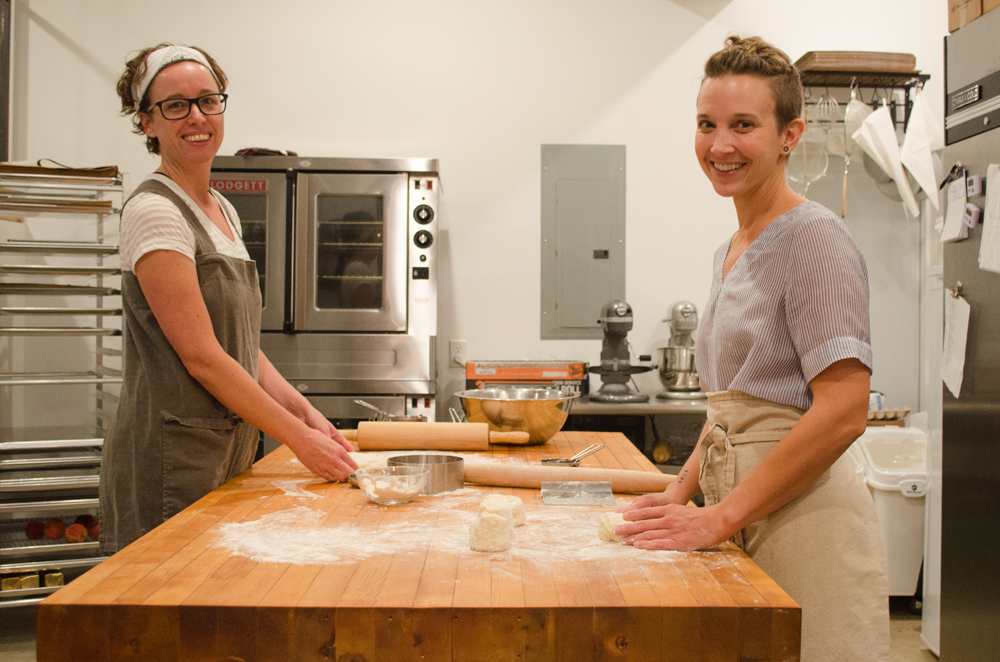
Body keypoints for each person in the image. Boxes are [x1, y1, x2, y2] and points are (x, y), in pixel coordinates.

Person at [617, 36, 889, 662]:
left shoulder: (816, 239)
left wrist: (717, 517)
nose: (720, 146)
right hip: (740, 507)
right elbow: (730, 413)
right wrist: (679, 494)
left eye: (743, 125)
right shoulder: (731, 249)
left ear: (790, 135)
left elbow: (844, 410)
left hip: (805, 517)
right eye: (706, 125)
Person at [99, 44, 358, 554]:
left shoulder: (222, 210)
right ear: (147, 123)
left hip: (225, 446)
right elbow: (203, 358)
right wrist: (298, 441)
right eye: (175, 105)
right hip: (173, 458)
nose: (196, 117)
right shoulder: (155, 211)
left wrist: (305, 413)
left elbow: (240, 347)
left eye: (207, 100)